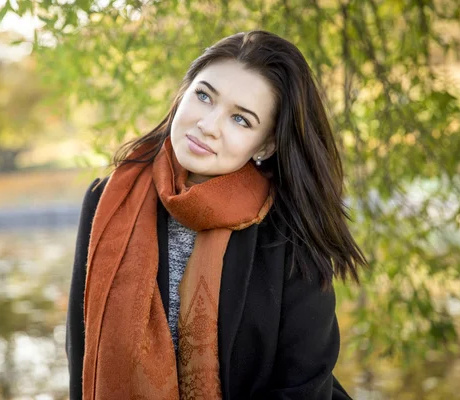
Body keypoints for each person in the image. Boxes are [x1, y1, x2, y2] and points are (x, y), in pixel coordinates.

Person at [66, 30, 367, 400]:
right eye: (204, 96)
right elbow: (82, 360)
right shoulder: (106, 203)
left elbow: (302, 385)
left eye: (241, 120)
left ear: (267, 144)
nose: (208, 126)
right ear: (184, 92)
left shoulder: (289, 228)